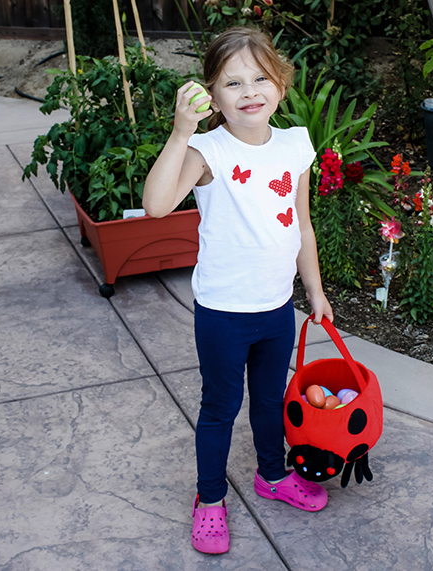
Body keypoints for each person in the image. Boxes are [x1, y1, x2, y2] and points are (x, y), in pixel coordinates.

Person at [143, 27, 334, 555]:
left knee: (269, 401)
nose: (249, 91)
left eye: (260, 77)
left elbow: (302, 223)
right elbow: (157, 205)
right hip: (224, 314)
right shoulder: (209, 150)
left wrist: (313, 291)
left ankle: (271, 476)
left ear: (280, 83)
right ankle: (208, 500)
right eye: (232, 83)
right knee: (221, 406)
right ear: (211, 94)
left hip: (277, 308)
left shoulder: (295, 144)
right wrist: (182, 131)